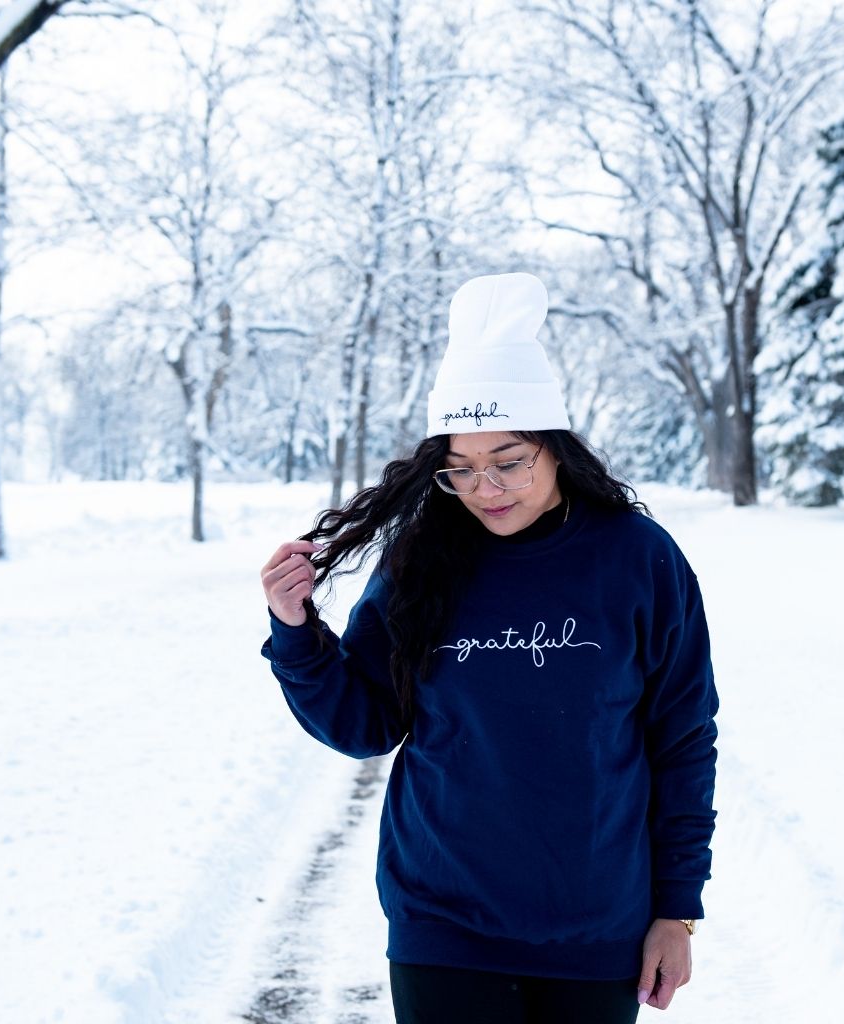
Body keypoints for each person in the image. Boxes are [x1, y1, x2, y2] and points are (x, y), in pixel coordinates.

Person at [260, 272, 718, 1024]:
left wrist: (677, 909)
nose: (486, 488)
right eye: (461, 469)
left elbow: (683, 740)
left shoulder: (638, 559)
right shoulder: (424, 559)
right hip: (443, 924)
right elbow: (365, 724)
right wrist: (297, 631)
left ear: (556, 447)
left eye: (509, 461)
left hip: (596, 927)